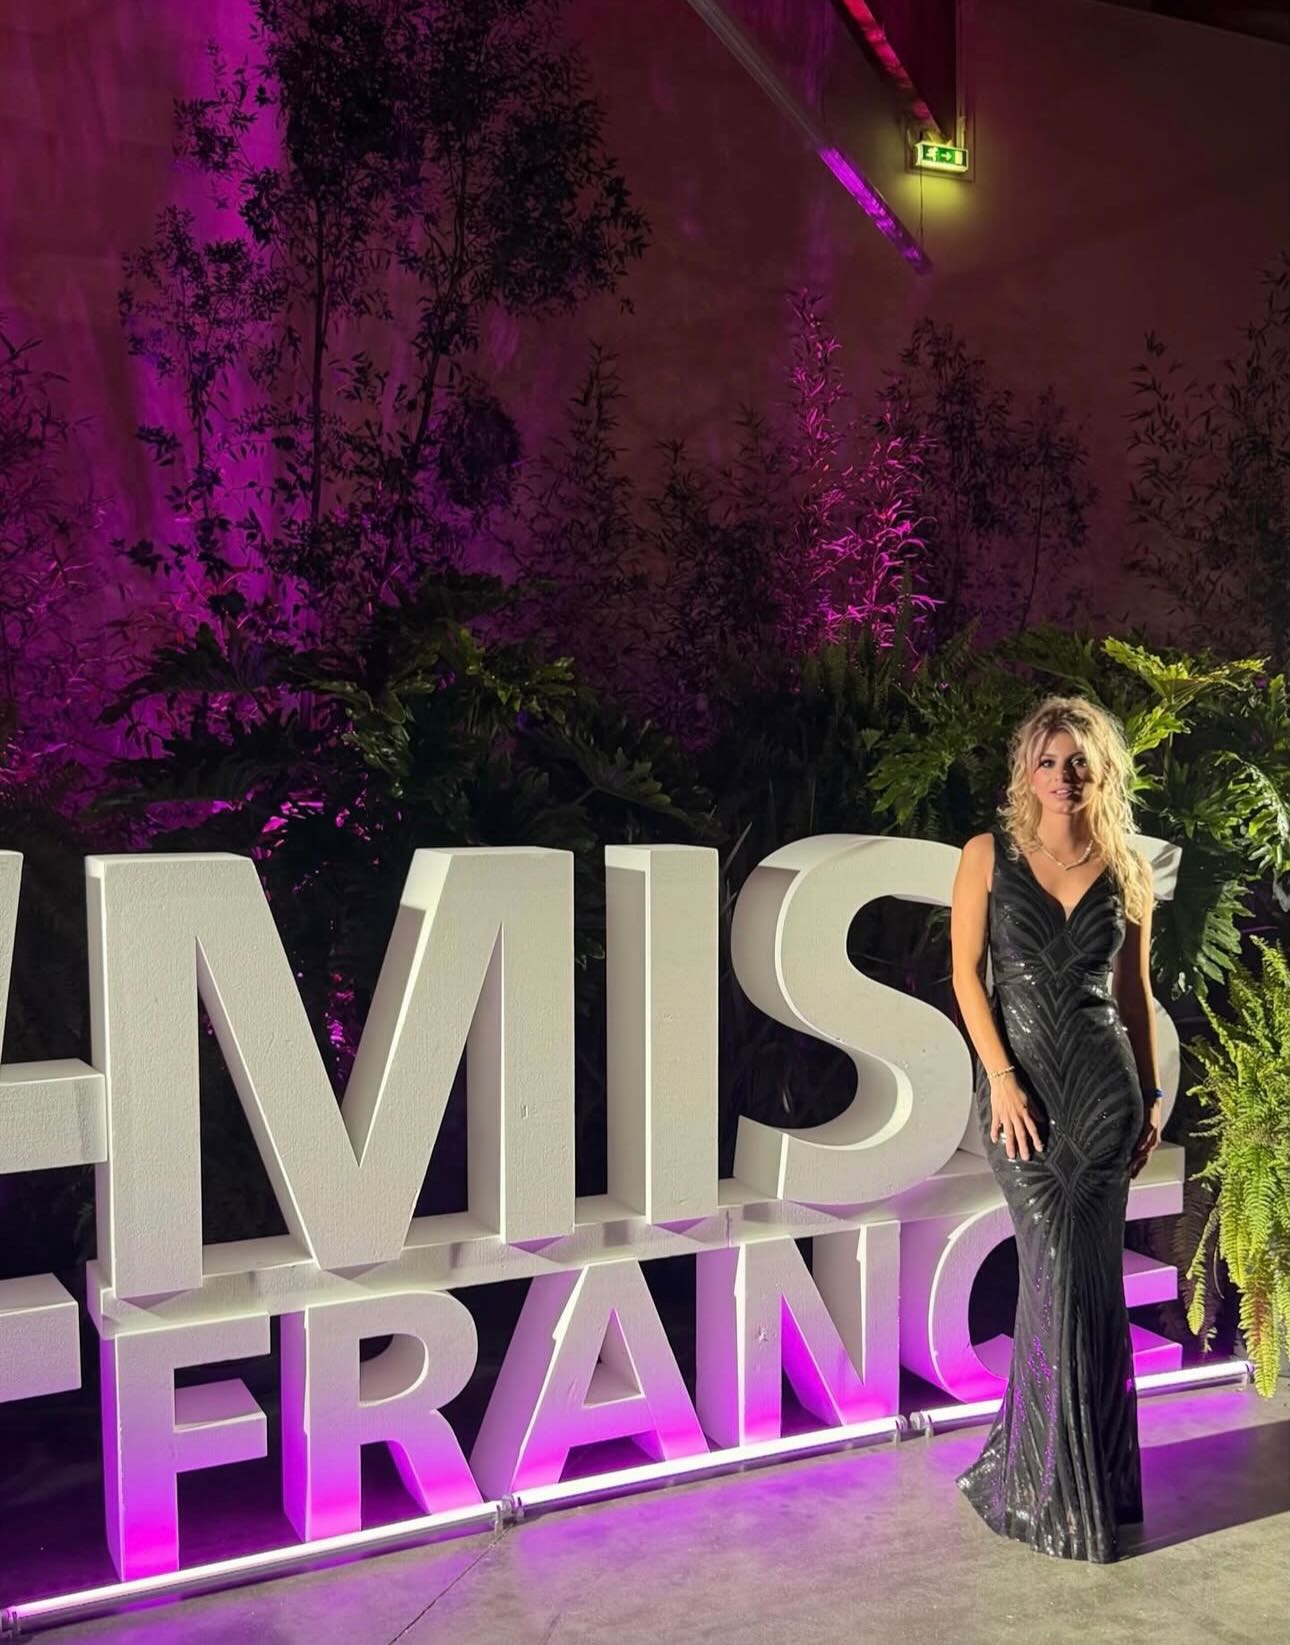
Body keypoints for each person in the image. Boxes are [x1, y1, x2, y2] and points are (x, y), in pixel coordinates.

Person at [948, 693, 1165, 1563]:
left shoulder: (1127, 866)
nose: (1062, 775)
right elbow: (966, 977)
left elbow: (1134, 995)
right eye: (1047, 761)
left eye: (1077, 761)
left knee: (1090, 1283)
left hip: (1105, 1096)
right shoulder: (986, 855)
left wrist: (1152, 1093)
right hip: (1022, 1098)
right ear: (1026, 772)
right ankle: (1047, 1484)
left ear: (1100, 770)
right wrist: (1001, 1078)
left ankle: (1080, 1486)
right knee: (1053, 1275)